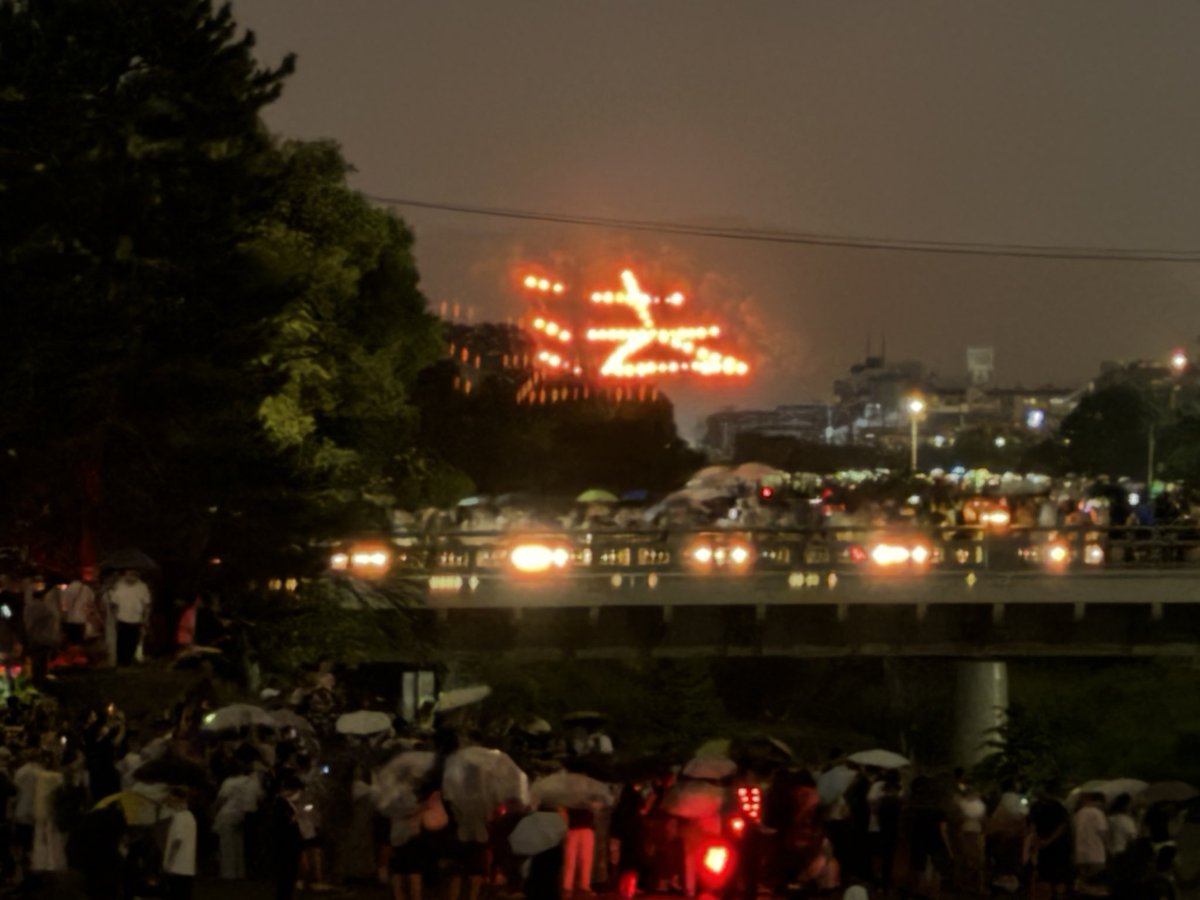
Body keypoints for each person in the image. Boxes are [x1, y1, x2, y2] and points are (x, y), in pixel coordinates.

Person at [106, 570, 151, 665]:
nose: (131, 577)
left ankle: (128, 660)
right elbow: (114, 603)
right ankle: (121, 661)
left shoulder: (142, 587)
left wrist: (146, 618)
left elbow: (147, 604)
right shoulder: (119, 586)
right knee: (121, 641)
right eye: (129, 574)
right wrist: (114, 616)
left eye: (133, 574)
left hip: (136, 618)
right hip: (121, 618)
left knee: (132, 641)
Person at [163, 786, 198, 900]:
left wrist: (169, 861)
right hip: (187, 867)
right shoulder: (189, 817)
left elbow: (178, 840)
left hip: (178, 867)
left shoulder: (180, 817)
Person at [1074, 791, 1110, 894]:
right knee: (1097, 883)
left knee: (1084, 883)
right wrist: (1108, 847)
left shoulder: (1078, 814)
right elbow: (1103, 832)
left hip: (1080, 853)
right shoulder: (1097, 813)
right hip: (1096, 854)